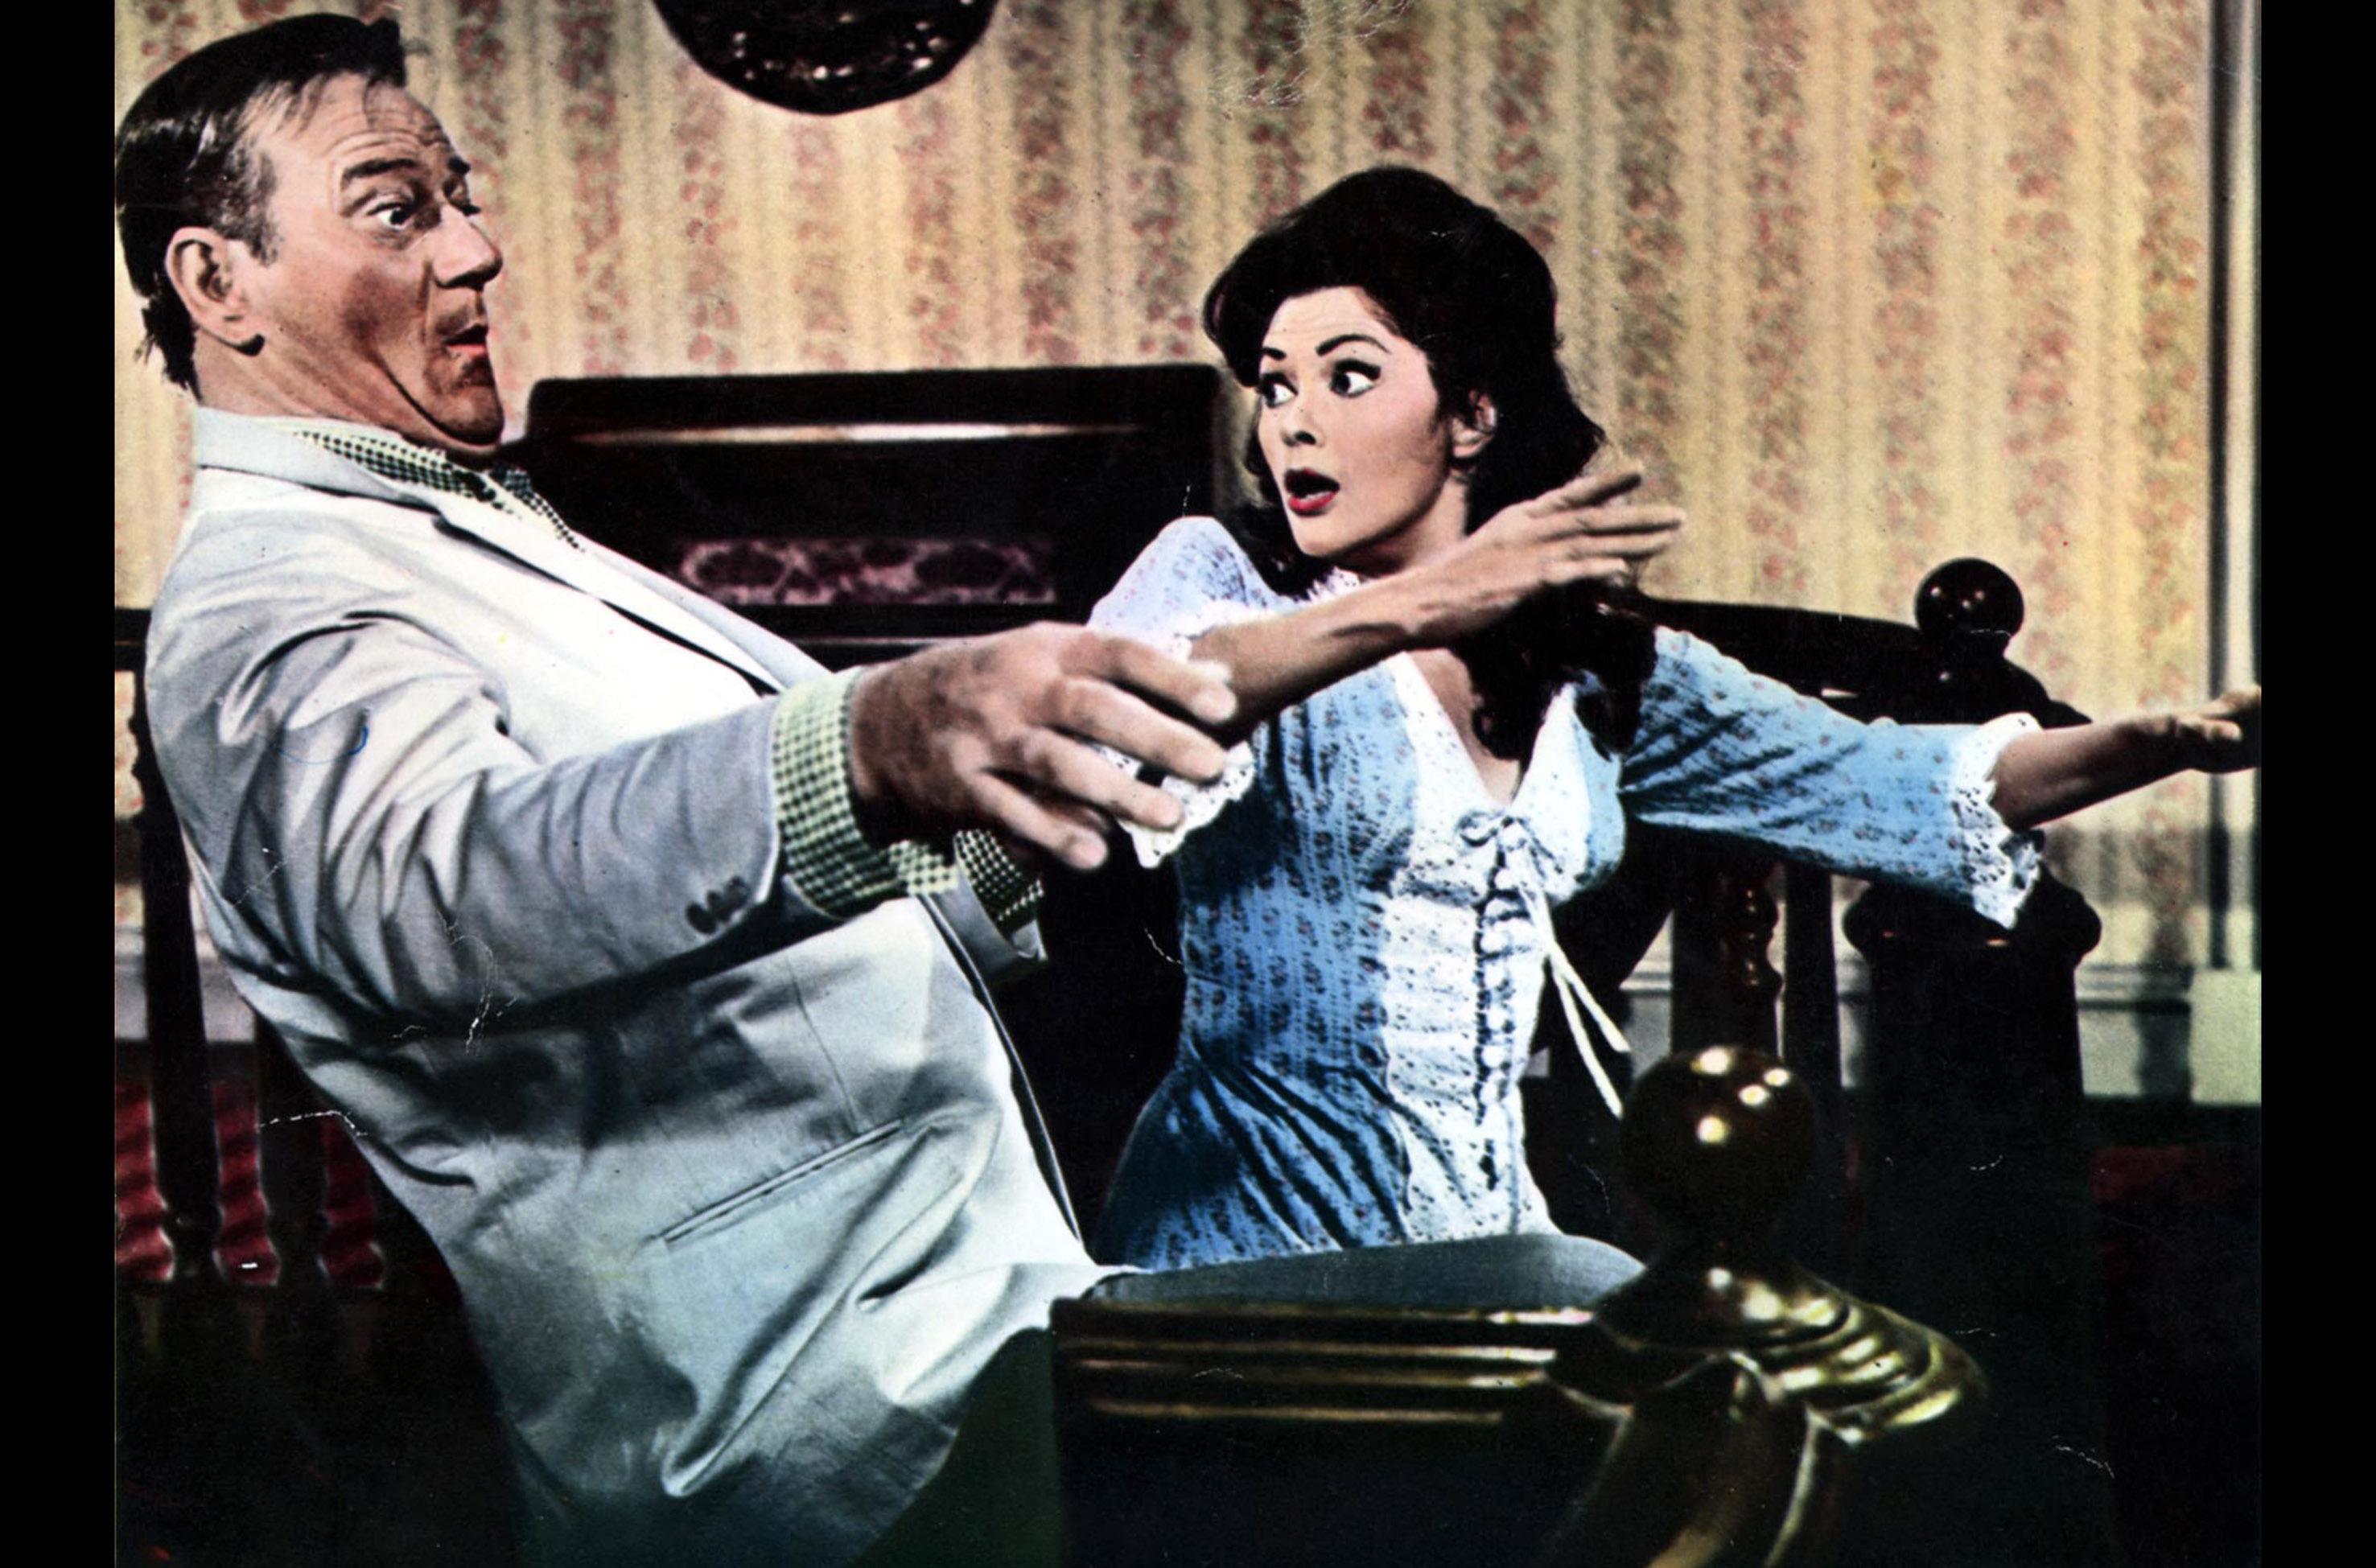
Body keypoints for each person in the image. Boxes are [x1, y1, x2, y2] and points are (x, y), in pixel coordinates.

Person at [116, 19, 1646, 1568]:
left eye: (462, 196)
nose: (475, 247)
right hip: (823, 1423)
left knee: (1614, 1335)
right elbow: (440, 893)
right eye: (397, 209)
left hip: (990, 1320)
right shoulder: (268, 599)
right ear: (216, 282)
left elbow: (776, 900)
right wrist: (870, 745)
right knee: (1623, 1356)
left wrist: (1009, 790)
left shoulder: (470, 535)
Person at [1086, 167, 2261, 1273]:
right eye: (1275, 385)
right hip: (1243, 1248)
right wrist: (1420, 603)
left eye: (1347, 378)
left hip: (1481, 1240)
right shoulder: (1223, 585)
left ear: (1472, 414)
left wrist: (2158, 741)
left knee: (1740, 1382)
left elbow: (1888, 778)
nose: (1291, 422)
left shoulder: (1584, 663)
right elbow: (1138, 702)